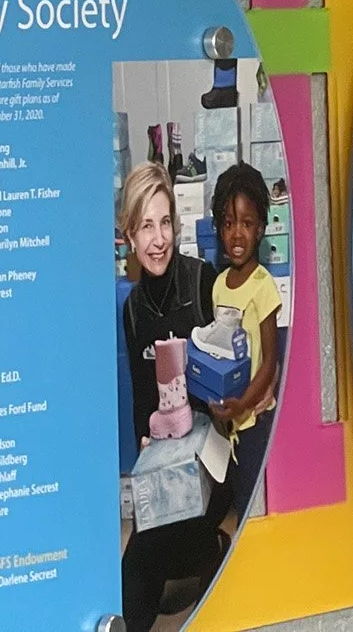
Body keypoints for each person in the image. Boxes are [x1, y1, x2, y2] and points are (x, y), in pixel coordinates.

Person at [119, 161, 230, 632]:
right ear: (128, 235)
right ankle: (204, 557)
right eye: (146, 226)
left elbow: (229, 384)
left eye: (165, 223)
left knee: (163, 542)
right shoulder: (131, 310)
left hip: (211, 463)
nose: (158, 239)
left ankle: (207, 552)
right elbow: (147, 409)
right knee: (134, 569)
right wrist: (149, 443)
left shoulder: (202, 281)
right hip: (166, 468)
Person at [205, 163, 282, 520]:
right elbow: (216, 350)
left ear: (262, 229)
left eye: (247, 224)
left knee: (255, 507)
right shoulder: (219, 285)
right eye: (228, 223)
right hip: (227, 422)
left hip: (253, 420)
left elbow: (269, 362)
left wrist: (243, 404)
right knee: (235, 503)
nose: (237, 235)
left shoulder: (263, 286)